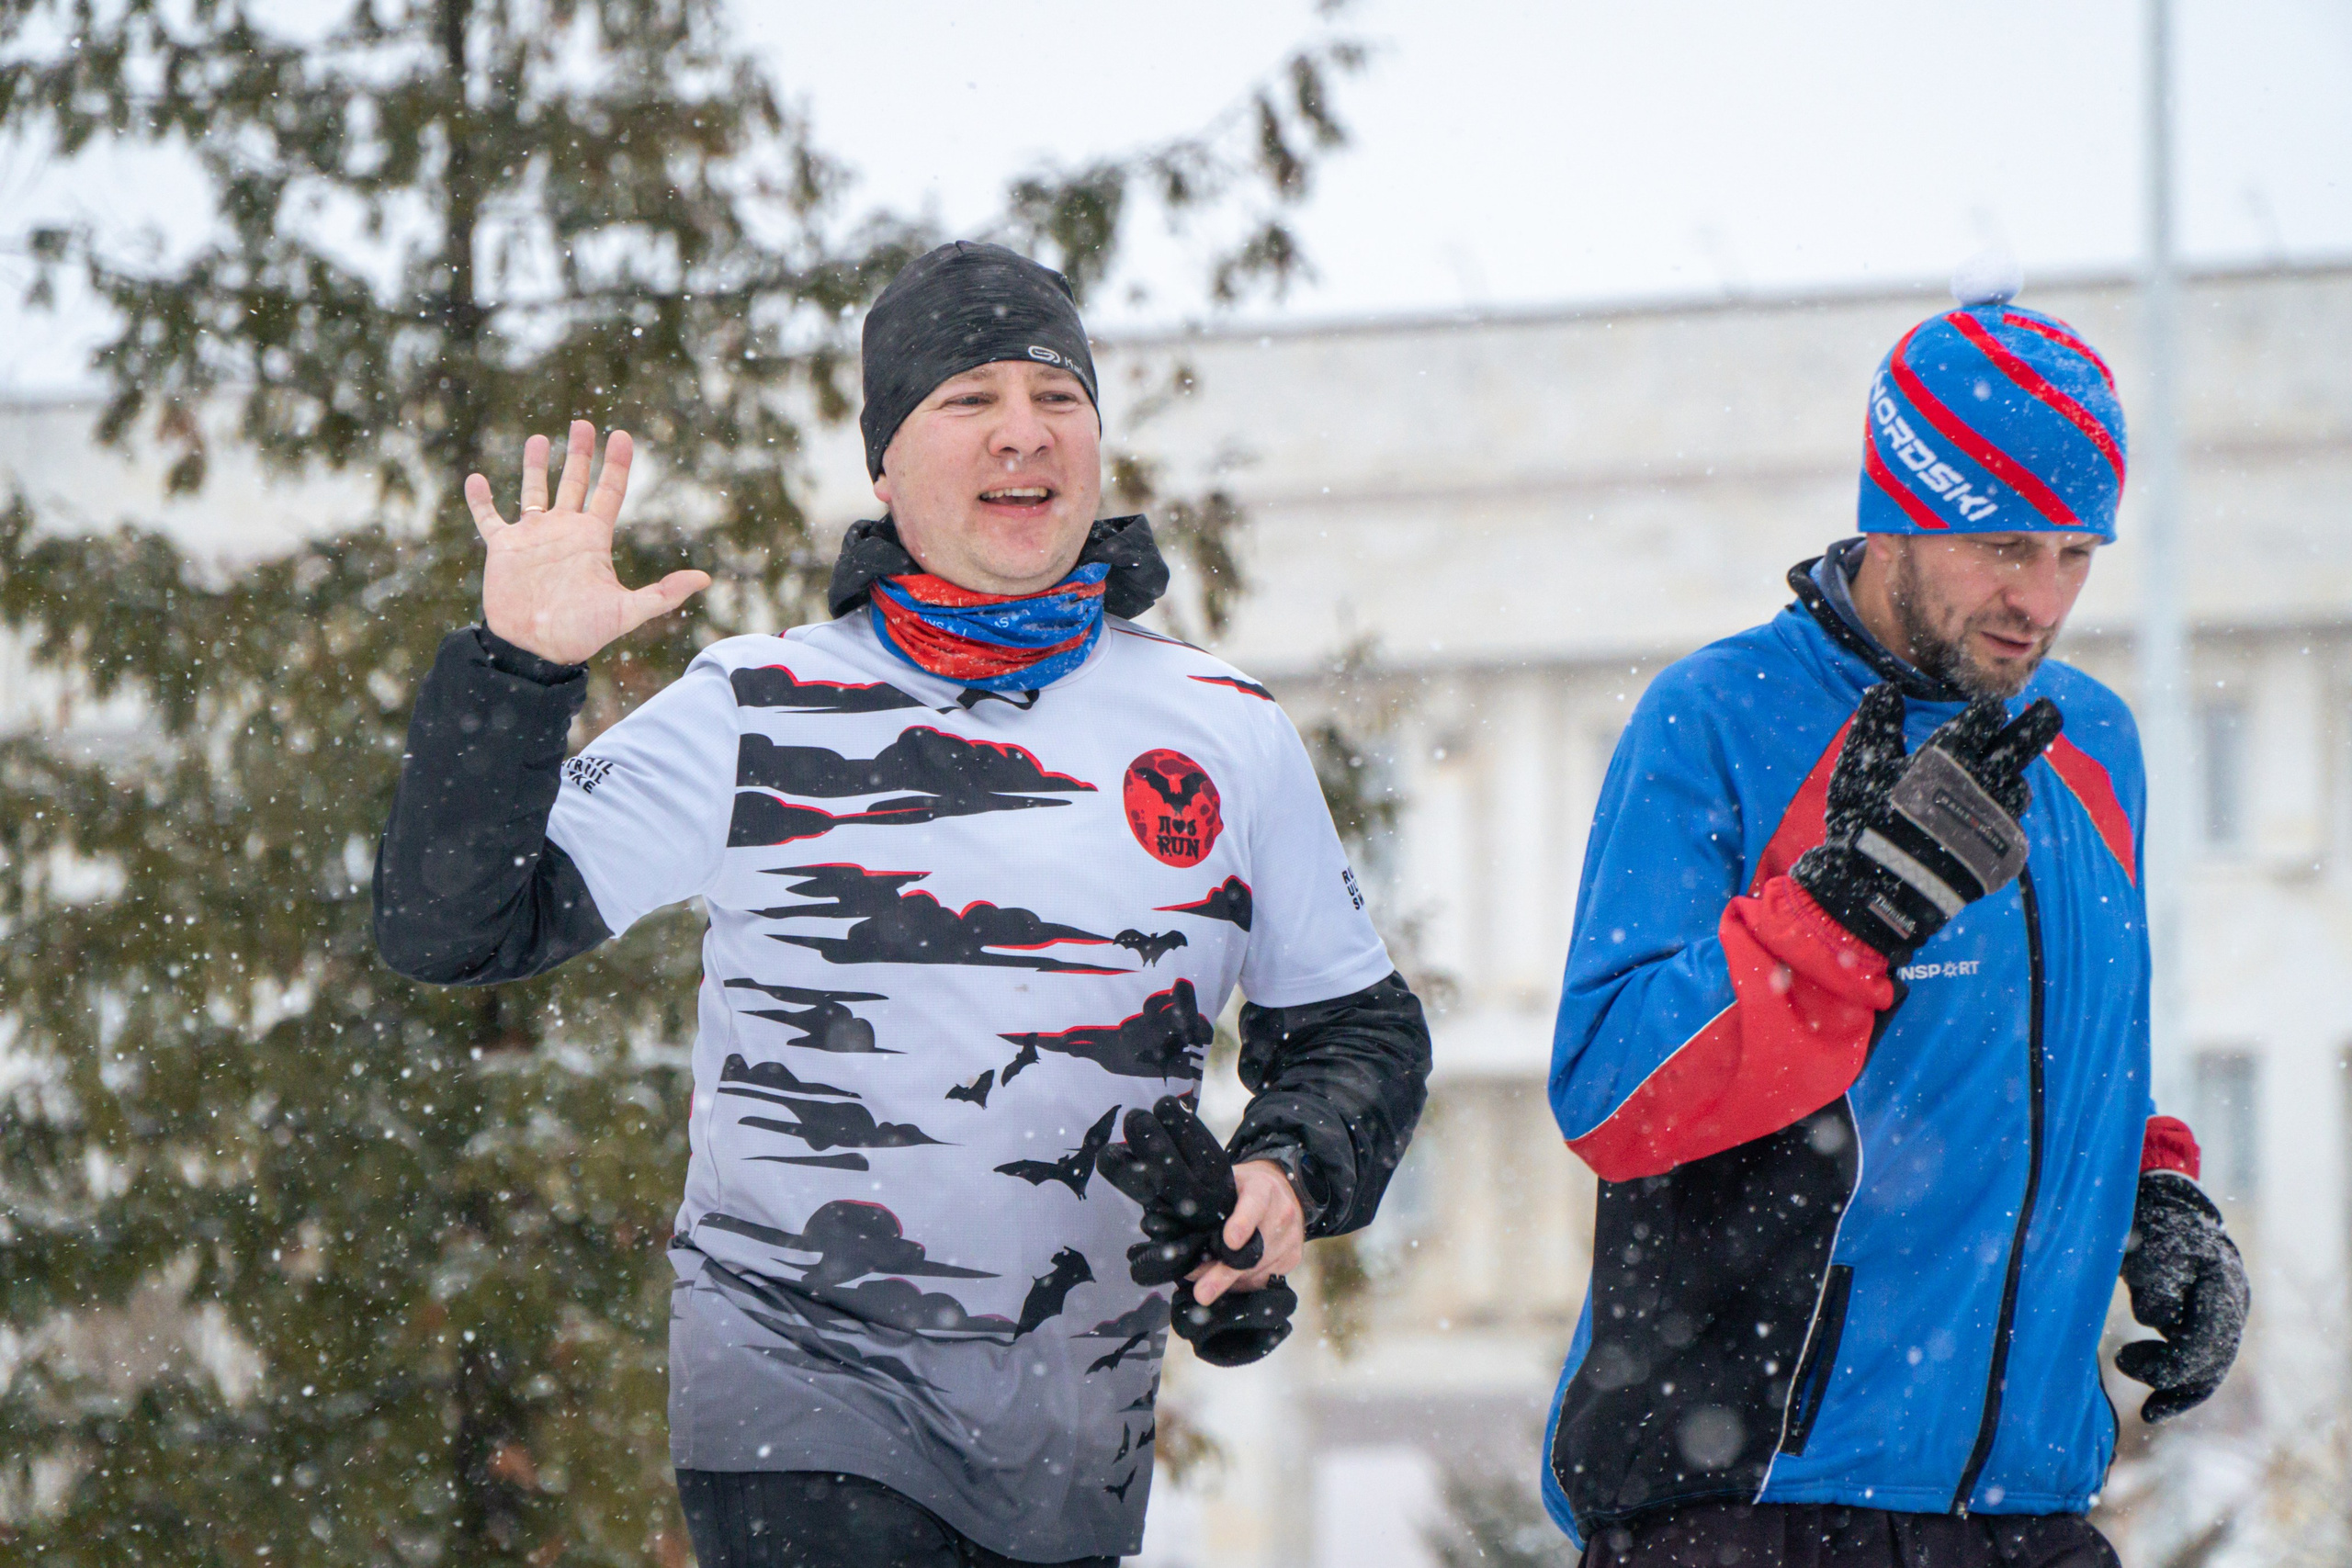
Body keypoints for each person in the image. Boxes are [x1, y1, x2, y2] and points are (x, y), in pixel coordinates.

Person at [374, 241, 1431, 1568]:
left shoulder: (1224, 728)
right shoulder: (763, 705)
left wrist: (1280, 1175)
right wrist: (516, 672)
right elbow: (454, 927)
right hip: (797, 1407)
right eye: (968, 401)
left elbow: (1358, 1032)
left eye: (1056, 400)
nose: (1020, 435)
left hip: (1070, 1451)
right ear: (885, 465)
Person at [1540, 269, 2248, 1567]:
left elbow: (2075, 1060)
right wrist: (1841, 920)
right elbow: (1611, 1095)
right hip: (1751, 1502)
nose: (2042, 599)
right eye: (2005, 547)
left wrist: (2152, 1195)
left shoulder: (2092, 744)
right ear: (1898, 517)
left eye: (2076, 554)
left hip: (2027, 1510)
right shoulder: (1718, 722)